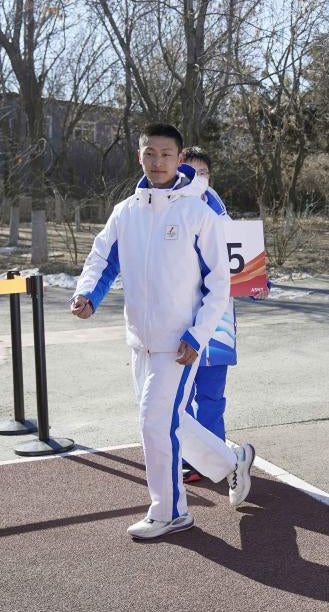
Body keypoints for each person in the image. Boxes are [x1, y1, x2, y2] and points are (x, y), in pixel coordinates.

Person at [70, 123, 256, 540]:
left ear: (179, 159)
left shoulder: (198, 213)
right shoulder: (126, 212)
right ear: (140, 156)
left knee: (154, 424)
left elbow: (218, 284)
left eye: (166, 154)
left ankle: (170, 511)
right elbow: (103, 259)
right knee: (166, 421)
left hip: (179, 344)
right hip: (140, 339)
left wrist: (197, 335)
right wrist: (87, 295)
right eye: (150, 153)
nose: (158, 162)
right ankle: (232, 461)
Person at [179, 146, 269, 484]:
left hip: (217, 329)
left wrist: (260, 284)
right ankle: (186, 457)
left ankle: (215, 459)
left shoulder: (223, 218)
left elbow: (244, 267)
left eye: (203, 173)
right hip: (180, 324)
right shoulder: (167, 216)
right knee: (180, 398)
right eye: (190, 172)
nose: (197, 180)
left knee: (212, 397)